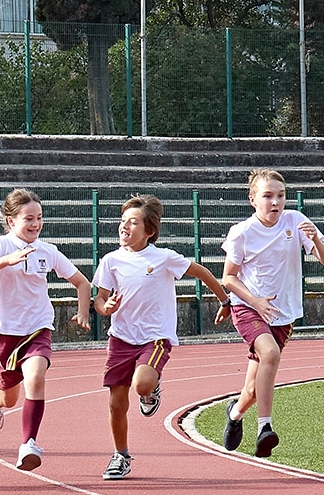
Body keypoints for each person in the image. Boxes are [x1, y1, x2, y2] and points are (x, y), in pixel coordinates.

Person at [91, 195, 226, 480]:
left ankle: (152, 386)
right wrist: (106, 308)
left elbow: (200, 272)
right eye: (123, 221)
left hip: (155, 337)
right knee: (116, 404)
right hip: (121, 337)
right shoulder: (110, 261)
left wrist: (224, 300)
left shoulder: (164, 258)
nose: (125, 226)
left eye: (133, 222)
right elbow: (100, 299)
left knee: (142, 384)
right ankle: (121, 455)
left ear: (149, 231)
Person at [0, 189, 93, 471]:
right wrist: (6, 261)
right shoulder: (0, 245)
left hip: (37, 328)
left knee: (36, 377)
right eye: (28, 219)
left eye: (39, 218)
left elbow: (82, 282)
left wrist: (83, 312)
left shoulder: (48, 251)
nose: (35, 224)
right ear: (11, 221)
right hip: (2, 330)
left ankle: (28, 444)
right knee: (8, 397)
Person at [217, 169, 324, 457]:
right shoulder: (242, 233)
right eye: (267, 196)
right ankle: (264, 428)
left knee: (255, 388)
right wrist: (255, 301)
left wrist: (316, 242)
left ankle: (235, 414)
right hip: (248, 307)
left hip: (282, 314)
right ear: (252, 200)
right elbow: (228, 278)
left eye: (280, 196)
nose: (275, 202)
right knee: (270, 354)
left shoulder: (295, 221)